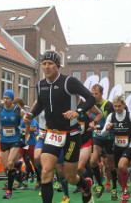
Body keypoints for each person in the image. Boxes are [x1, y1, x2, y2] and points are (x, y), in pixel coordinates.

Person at [24, 50, 95, 203]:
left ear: (57, 66)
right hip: (51, 134)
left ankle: (85, 186)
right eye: (44, 64)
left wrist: (78, 112)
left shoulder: (69, 81)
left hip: (71, 135)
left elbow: (90, 98)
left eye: (50, 64)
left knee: (70, 177)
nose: (47, 67)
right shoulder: (40, 85)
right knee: (46, 173)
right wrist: (31, 114)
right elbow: (41, 104)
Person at [99, 95, 131, 203]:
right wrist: (107, 129)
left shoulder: (130, 116)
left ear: (124, 105)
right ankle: (125, 190)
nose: (117, 108)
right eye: (115, 106)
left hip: (129, 146)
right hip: (117, 146)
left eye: (119, 106)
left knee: (122, 166)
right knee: (119, 173)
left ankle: (125, 192)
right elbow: (103, 132)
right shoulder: (111, 116)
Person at [0, 90, 28, 199]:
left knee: (10, 162)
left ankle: (9, 191)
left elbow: (28, 119)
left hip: (15, 140)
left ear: (12, 99)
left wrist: (26, 133)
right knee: (6, 167)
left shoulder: (18, 110)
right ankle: (18, 171)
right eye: (4, 98)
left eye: (8, 98)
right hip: (4, 141)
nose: (5, 100)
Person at [89, 84, 116, 199]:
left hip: (108, 136)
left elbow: (110, 122)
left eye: (96, 93)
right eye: (93, 94)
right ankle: (100, 184)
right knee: (93, 160)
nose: (94, 96)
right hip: (97, 136)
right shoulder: (90, 104)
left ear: (101, 94)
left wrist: (97, 127)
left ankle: (114, 188)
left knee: (110, 165)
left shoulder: (108, 105)